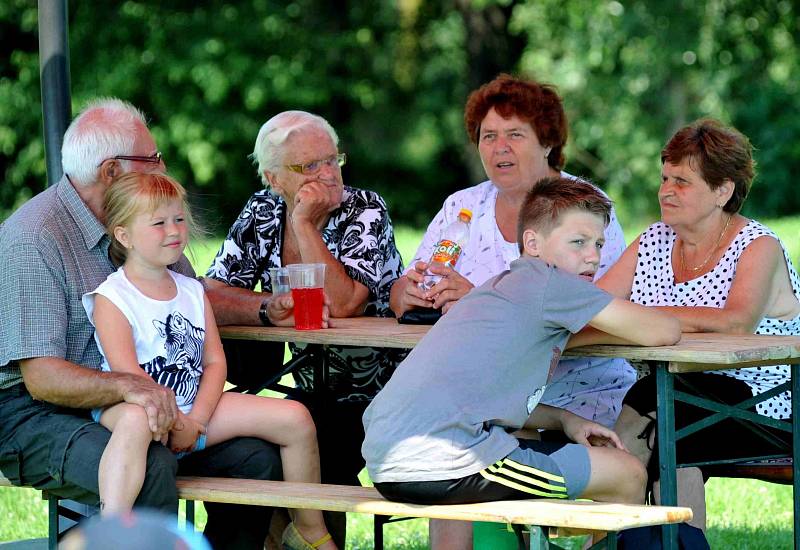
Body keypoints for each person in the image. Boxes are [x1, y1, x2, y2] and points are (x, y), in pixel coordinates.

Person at [0, 98, 283, 549]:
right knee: (152, 465)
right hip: (34, 414)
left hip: (146, 401)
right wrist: (135, 389)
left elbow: (191, 295)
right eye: (152, 158)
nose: (163, 166)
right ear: (111, 171)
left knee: (258, 457)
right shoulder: (34, 239)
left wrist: (265, 309)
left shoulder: (148, 221)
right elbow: (42, 378)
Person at [389, 74, 632, 548]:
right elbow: (418, 276)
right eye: (488, 136)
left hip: (573, 392)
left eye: (514, 134)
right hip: (483, 396)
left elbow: (594, 312)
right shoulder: (463, 206)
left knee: (457, 440)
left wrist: (477, 299)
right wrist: (406, 292)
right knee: (448, 443)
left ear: (548, 142)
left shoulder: (586, 209)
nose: (499, 147)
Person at [362, 177, 680, 514]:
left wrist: (565, 420)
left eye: (599, 244)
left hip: (389, 460)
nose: (592, 257)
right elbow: (663, 330)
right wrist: (603, 328)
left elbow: (485, 400)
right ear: (533, 242)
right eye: (578, 242)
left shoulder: (495, 288)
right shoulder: (552, 283)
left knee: (535, 445)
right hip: (446, 462)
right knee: (627, 473)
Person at [83, 172, 336, 549]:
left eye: (179, 219)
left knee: (296, 417)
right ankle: (114, 529)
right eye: (159, 223)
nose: (174, 230)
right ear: (124, 236)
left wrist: (196, 421)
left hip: (192, 410)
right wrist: (172, 419)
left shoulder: (190, 291)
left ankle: (306, 527)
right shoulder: (112, 298)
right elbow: (129, 378)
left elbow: (215, 363)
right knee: (135, 421)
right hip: (137, 407)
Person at [203, 110, 404, 545]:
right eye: (309, 166)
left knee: (327, 451)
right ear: (274, 179)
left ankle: (306, 537)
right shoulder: (261, 209)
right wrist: (265, 308)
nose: (328, 174)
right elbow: (211, 293)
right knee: (243, 455)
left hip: (378, 389)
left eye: (332, 160)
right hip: (302, 385)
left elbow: (348, 303)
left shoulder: (365, 209)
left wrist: (302, 224)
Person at [599, 118, 800, 529]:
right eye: (664, 178)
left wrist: (641, 318)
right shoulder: (653, 240)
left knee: (667, 426)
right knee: (658, 415)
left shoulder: (758, 246)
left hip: (769, 404)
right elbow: (597, 305)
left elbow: (734, 323)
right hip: (674, 392)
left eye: (682, 182)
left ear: (723, 191)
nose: (665, 191)